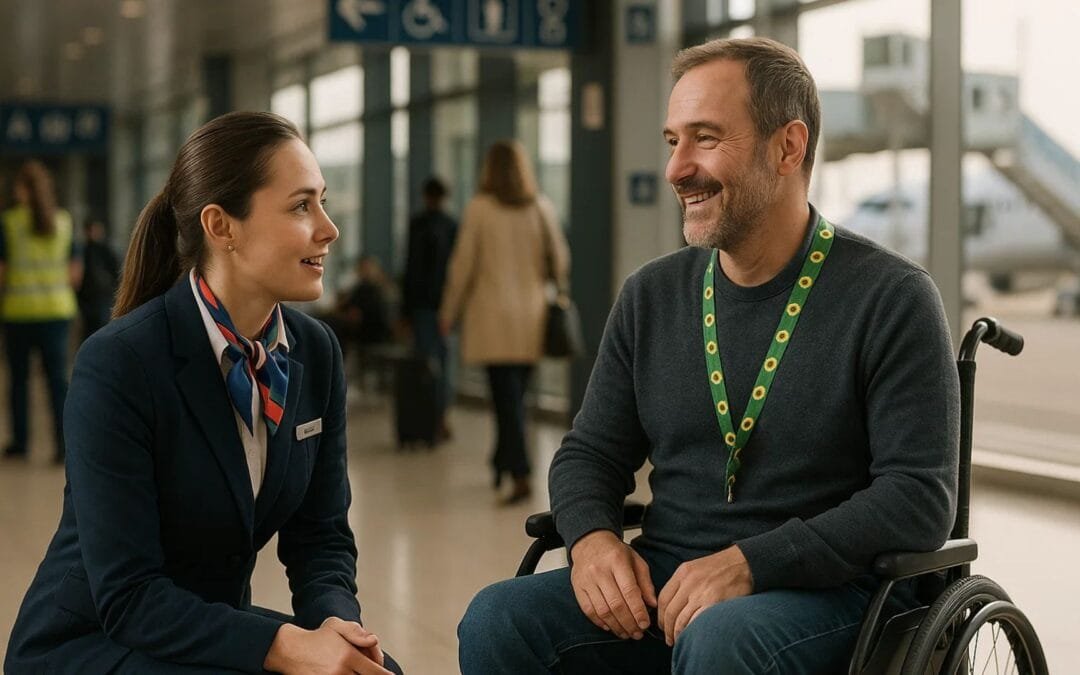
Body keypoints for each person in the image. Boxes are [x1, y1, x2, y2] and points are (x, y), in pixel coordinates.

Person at [458, 37, 959, 674]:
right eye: (673, 141)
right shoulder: (653, 295)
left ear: (788, 147)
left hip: (828, 595)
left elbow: (917, 498)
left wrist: (752, 563)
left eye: (706, 138)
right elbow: (592, 452)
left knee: (721, 638)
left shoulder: (891, 297)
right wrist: (592, 539)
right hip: (670, 581)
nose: (676, 168)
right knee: (498, 618)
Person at [5, 112, 402, 675]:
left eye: (323, 202)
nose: (328, 228)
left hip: (205, 625)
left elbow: (321, 538)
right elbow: (128, 594)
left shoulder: (316, 353)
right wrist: (289, 647)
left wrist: (336, 626)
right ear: (222, 227)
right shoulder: (119, 364)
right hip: (92, 640)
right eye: (300, 206)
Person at [439, 140, 570, 505]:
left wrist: (448, 311)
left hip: (492, 320)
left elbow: (462, 266)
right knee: (515, 398)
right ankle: (502, 461)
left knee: (506, 400)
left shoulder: (479, 209)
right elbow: (560, 258)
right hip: (532, 317)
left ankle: (520, 471)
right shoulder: (540, 206)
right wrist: (553, 287)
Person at [0, 160, 81, 464]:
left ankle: (20, 444)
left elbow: (2, 273)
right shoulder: (63, 222)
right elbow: (76, 275)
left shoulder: (8, 223)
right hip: (57, 313)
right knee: (57, 381)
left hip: (18, 313)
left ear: (22, 189)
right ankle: (62, 447)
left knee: (18, 381)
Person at [401, 177, 458, 441]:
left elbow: (411, 270)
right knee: (444, 365)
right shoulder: (451, 226)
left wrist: (405, 311)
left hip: (423, 307)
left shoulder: (418, 225)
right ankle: (440, 417)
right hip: (445, 307)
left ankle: (428, 418)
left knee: (426, 365)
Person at [76, 216, 121, 340]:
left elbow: (116, 271)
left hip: (103, 297)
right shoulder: (83, 250)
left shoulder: (106, 249)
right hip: (87, 298)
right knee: (89, 330)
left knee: (102, 328)